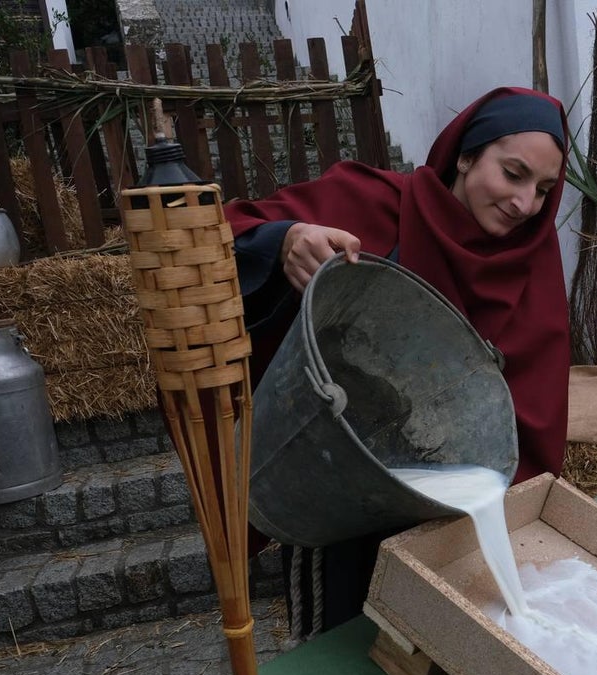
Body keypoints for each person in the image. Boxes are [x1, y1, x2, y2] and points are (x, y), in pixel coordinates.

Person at [225, 86, 572, 640]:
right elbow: (221, 232)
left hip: (450, 525)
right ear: (466, 155)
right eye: (513, 174)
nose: (525, 203)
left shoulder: (533, 263)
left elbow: (535, 408)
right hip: (339, 494)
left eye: (545, 190)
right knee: (340, 649)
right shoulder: (375, 204)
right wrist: (287, 240)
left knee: (428, 657)